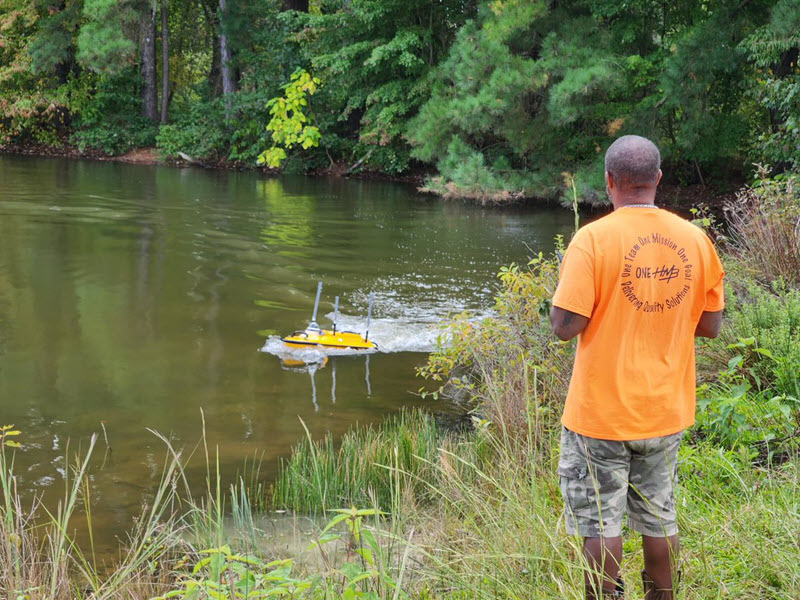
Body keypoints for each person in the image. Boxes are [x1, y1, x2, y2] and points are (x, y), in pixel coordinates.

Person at [549, 135, 725, 600]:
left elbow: (565, 326)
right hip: (665, 409)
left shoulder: (591, 240)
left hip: (600, 416)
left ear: (609, 182)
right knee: (659, 517)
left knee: (601, 523)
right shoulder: (694, 239)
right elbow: (711, 326)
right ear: (658, 179)